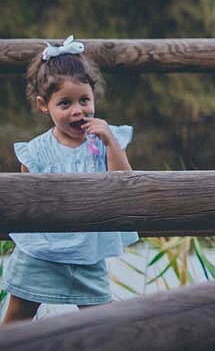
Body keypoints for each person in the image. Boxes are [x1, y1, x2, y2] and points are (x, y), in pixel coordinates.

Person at [1, 36, 136, 324]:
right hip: (42, 253)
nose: (78, 110)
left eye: (84, 100)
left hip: (87, 251)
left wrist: (111, 142)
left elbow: (125, 183)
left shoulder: (103, 140)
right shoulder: (36, 151)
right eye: (65, 103)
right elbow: (28, 204)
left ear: (94, 98)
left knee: (102, 322)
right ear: (43, 105)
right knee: (18, 317)